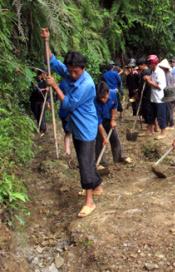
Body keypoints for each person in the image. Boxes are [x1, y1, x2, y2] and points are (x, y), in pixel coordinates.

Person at [41, 27, 101, 218]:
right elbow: (52, 61)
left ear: (82, 69)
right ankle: (97, 186)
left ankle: (89, 202)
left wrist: (55, 86)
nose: (71, 74)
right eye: (70, 71)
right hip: (76, 126)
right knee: (87, 160)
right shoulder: (69, 72)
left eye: (75, 72)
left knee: (84, 163)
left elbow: (69, 104)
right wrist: (47, 41)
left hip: (86, 127)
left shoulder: (87, 84)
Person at [95, 81, 129, 165]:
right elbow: (98, 122)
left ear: (108, 92)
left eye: (104, 97)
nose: (103, 100)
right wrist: (104, 137)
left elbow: (114, 107)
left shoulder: (113, 94)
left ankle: (117, 158)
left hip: (109, 118)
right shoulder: (94, 101)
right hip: (98, 122)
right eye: (101, 98)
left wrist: (113, 120)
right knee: (99, 141)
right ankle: (101, 162)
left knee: (115, 138)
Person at [144, 54, 167, 140]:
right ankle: (150, 131)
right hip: (153, 97)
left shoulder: (160, 72)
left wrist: (149, 81)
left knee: (161, 116)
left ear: (154, 63)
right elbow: (153, 80)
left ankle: (163, 132)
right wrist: (149, 78)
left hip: (160, 98)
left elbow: (159, 86)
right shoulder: (153, 72)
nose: (149, 65)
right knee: (151, 115)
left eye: (150, 63)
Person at [137, 57, 154, 136]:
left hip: (147, 94)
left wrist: (141, 94)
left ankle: (149, 130)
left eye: (139, 65)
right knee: (149, 111)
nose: (139, 67)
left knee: (148, 112)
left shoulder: (146, 71)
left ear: (143, 65)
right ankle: (152, 129)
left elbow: (146, 83)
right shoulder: (147, 71)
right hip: (146, 94)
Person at [159, 58, 175, 129]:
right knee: (167, 109)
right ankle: (168, 122)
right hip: (168, 93)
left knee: (169, 109)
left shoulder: (168, 75)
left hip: (169, 94)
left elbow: (168, 86)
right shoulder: (166, 74)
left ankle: (171, 124)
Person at [29, 70, 48, 135]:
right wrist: (43, 89)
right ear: (42, 73)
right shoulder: (34, 80)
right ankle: (40, 128)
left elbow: (48, 93)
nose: (46, 75)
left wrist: (48, 102)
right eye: (45, 74)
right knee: (37, 114)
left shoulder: (45, 82)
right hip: (34, 101)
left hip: (42, 101)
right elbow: (35, 90)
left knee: (42, 114)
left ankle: (43, 129)